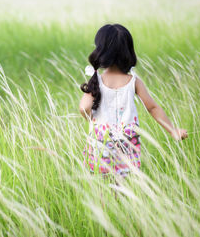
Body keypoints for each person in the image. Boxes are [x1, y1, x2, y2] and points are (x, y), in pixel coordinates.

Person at [79, 23, 188, 182]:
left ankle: (103, 206)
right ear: (128, 52)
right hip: (127, 142)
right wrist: (173, 130)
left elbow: (84, 108)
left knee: (101, 186)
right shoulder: (133, 81)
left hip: (100, 142)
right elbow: (153, 107)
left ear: (100, 51)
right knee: (121, 186)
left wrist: (92, 120)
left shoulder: (97, 81)